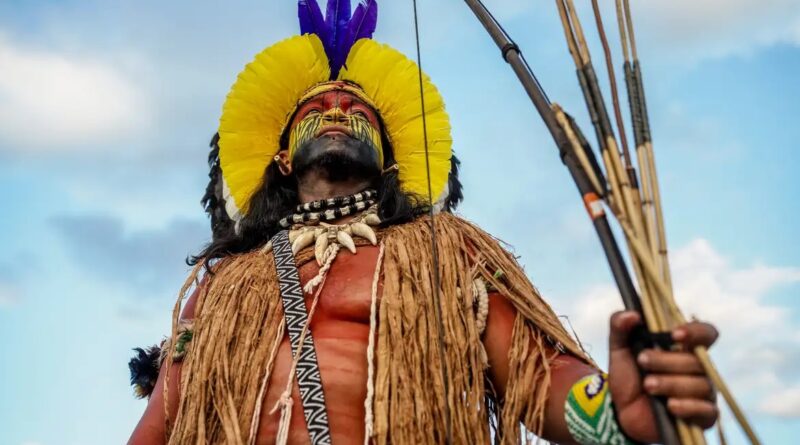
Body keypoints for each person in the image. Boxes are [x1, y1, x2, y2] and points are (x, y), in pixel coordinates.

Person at [128, 2, 718, 444]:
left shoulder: (447, 252)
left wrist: (618, 414)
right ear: (283, 155)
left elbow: (540, 377)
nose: (339, 111)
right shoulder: (222, 287)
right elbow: (160, 424)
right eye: (318, 109)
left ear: (389, 158)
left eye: (360, 112)